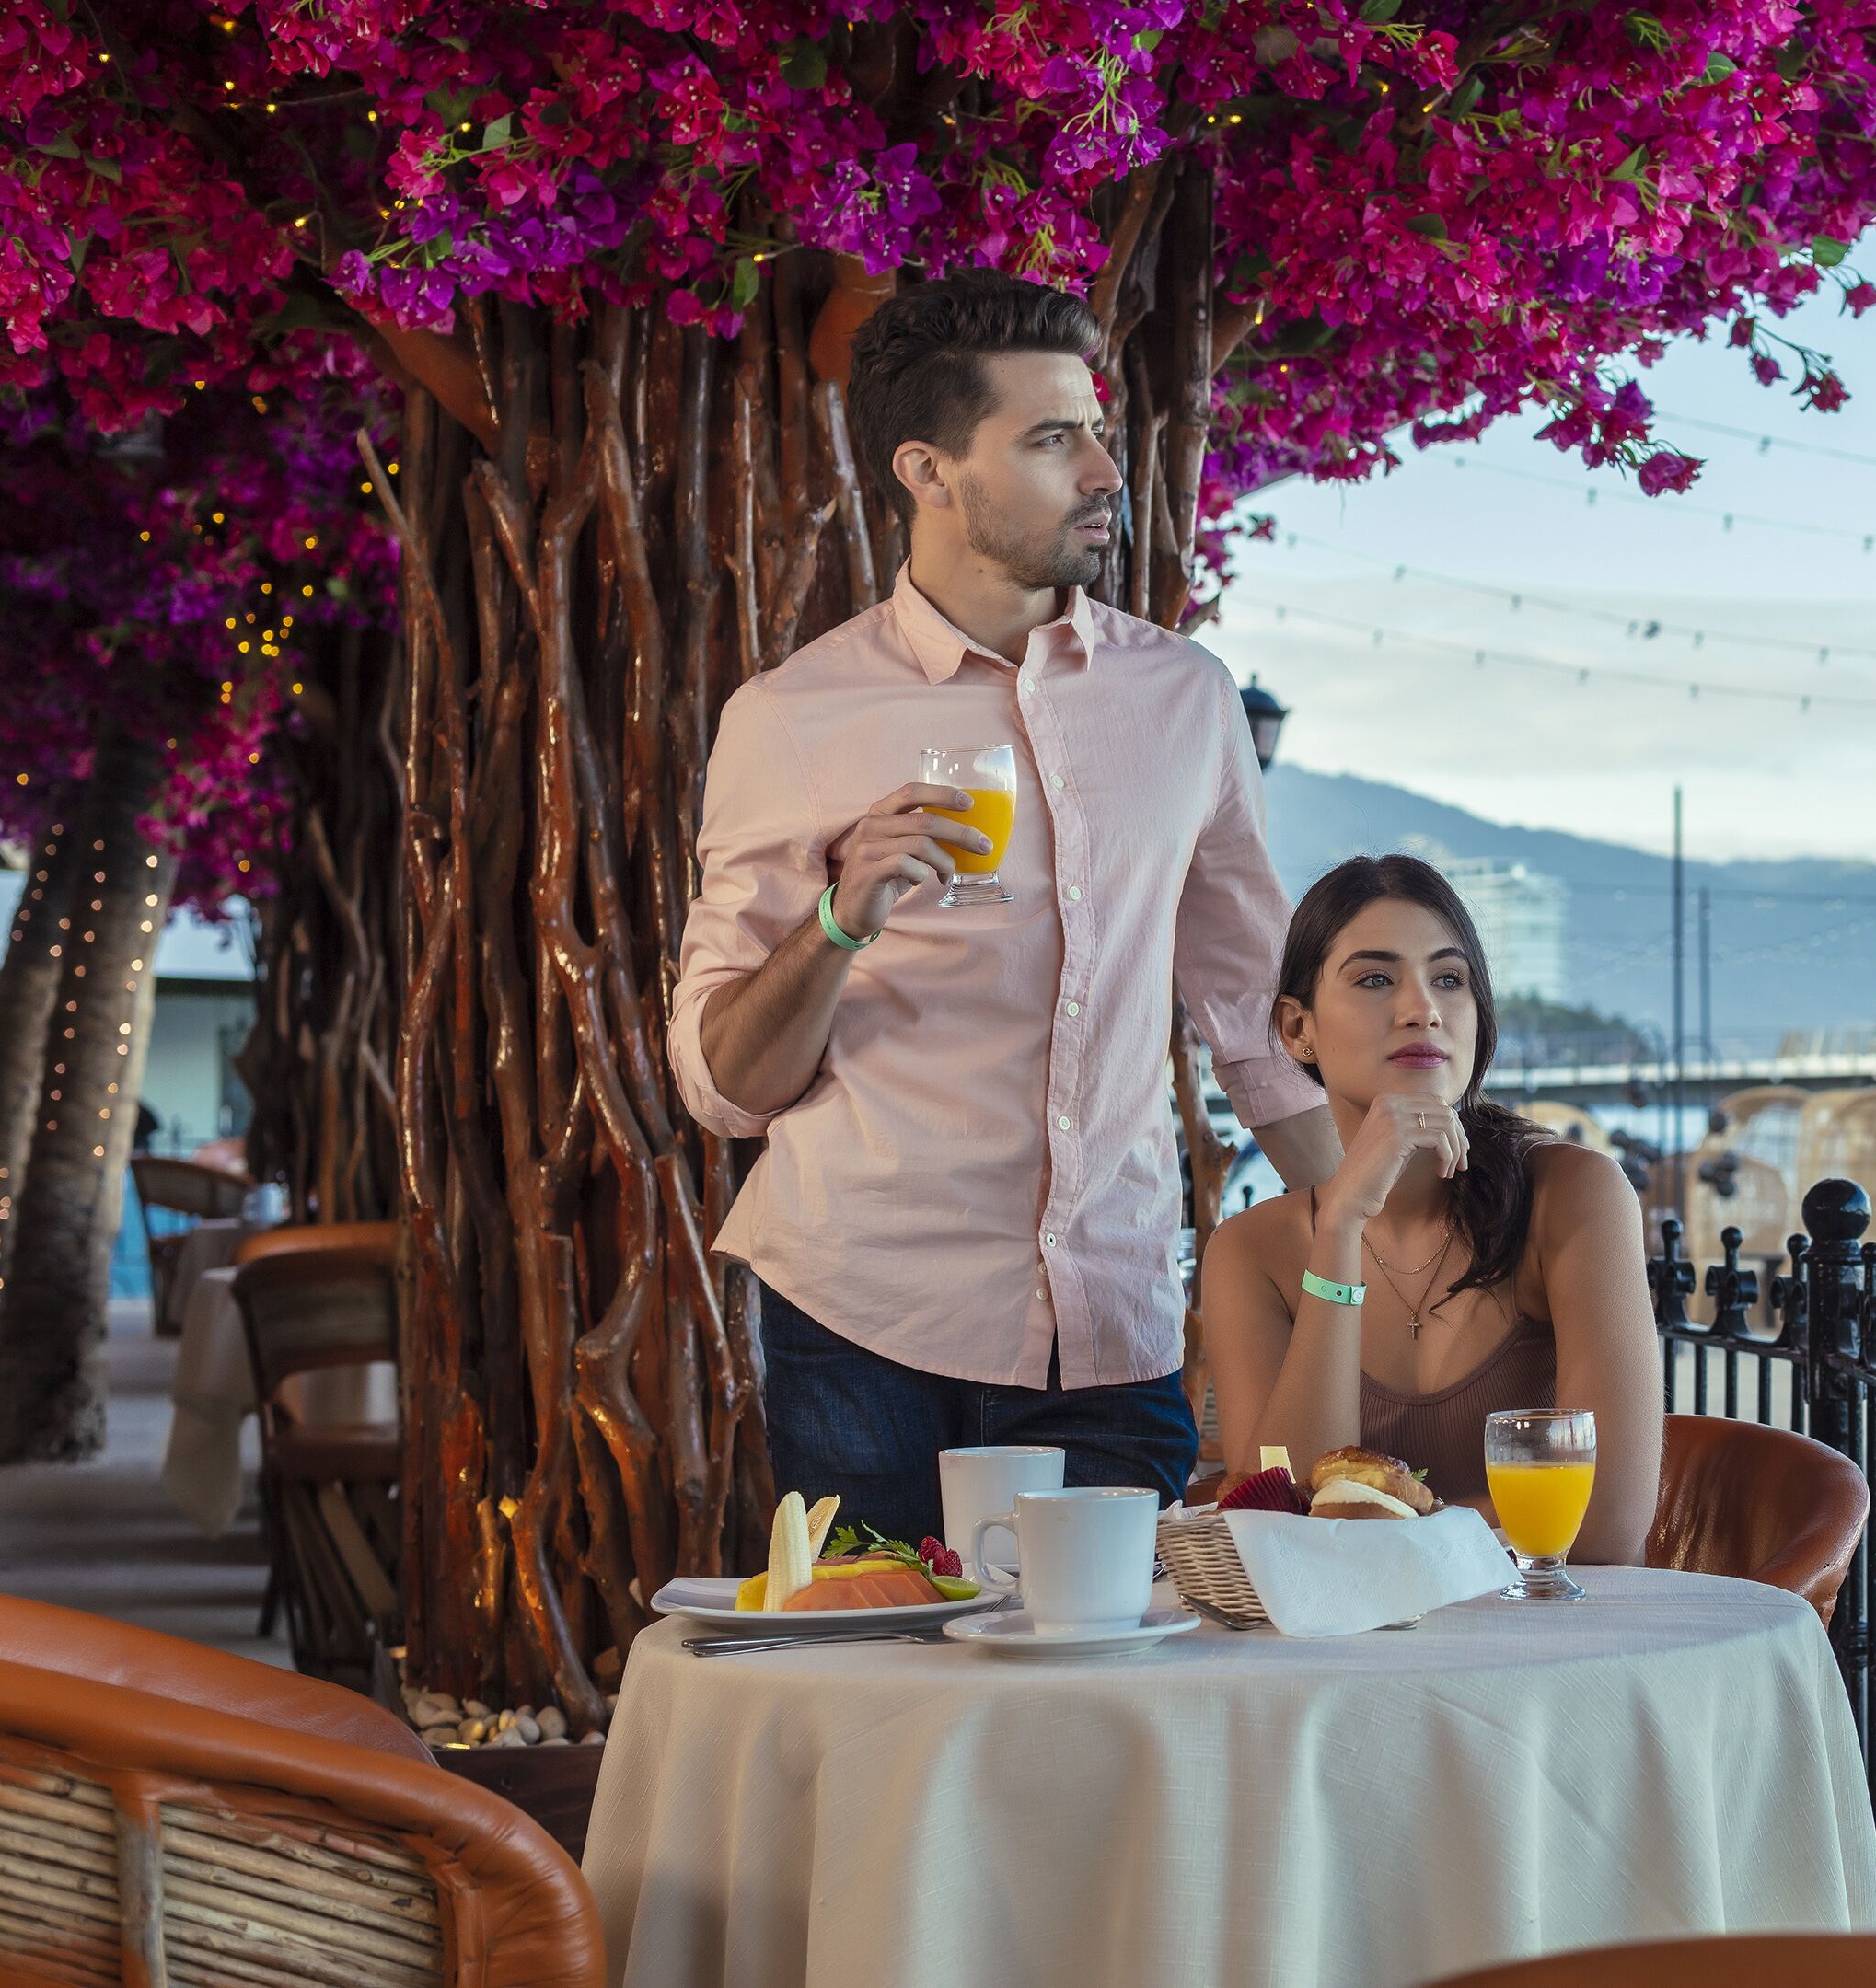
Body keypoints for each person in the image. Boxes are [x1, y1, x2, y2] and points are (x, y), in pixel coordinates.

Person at [668, 272, 1338, 1544]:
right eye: (1049, 439)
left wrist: (1391, 1241)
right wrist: (839, 922)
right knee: (889, 1713)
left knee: (1107, 1721)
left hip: (1113, 1320)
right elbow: (723, 1087)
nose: (1102, 467)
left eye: (1094, 427)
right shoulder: (792, 717)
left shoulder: (1183, 698)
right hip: (863, 1320)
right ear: (926, 469)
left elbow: (1251, 1010)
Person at [1199, 855, 1661, 1565]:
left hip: (1546, 1646)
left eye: (1449, 978)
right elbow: (1283, 1525)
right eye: (1375, 979)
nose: (1424, 1008)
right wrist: (1341, 1225)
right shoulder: (1250, 1253)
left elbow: (1602, 1529)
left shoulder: (1574, 1198)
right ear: (1297, 1030)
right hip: (1344, 1658)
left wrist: (1374, 1524)